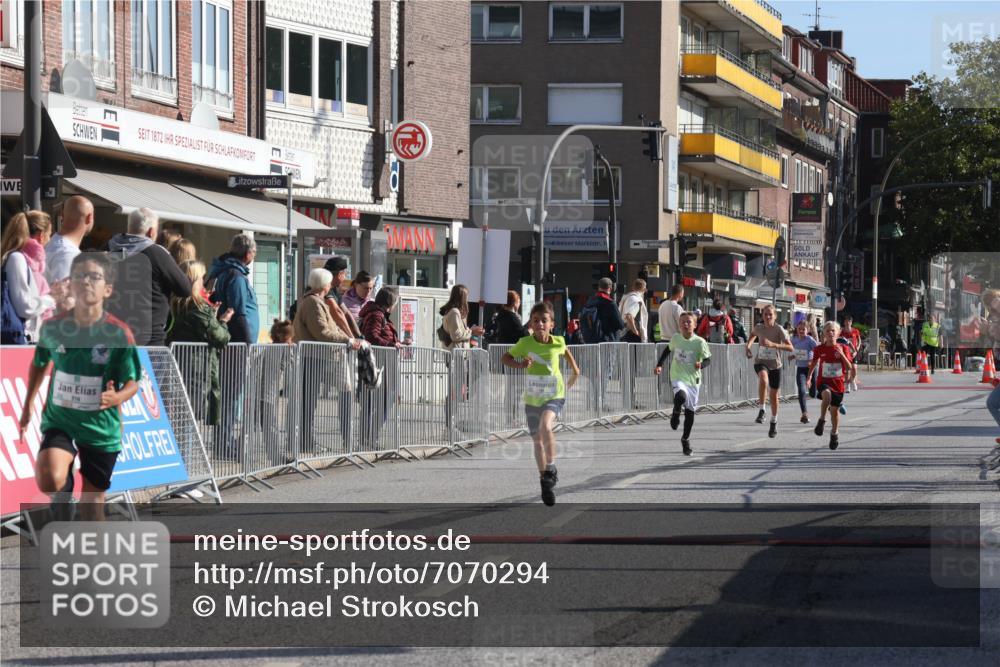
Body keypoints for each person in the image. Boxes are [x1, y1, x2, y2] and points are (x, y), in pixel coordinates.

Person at [17, 252, 141, 521]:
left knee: (92, 506)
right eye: (79, 276)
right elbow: (39, 364)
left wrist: (116, 397)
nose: (85, 281)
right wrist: (27, 406)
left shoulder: (118, 333)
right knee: (49, 478)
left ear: (107, 289)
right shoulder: (52, 328)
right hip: (61, 418)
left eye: (94, 276)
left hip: (100, 425)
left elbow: (133, 383)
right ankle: (63, 499)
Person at [502, 301, 580, 506]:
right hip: (533, 398)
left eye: (544, 321)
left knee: (546, 426)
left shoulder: (559, 342)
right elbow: (505, 357)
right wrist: (520, 364)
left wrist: (574, 375)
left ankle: (551, 466)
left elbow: (573, 364)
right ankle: (545, 481)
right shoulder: (525, 343)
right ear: (531, 323)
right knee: (537, 441)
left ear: (552, 324)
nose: (540, 324)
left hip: (554, 396)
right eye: (535, 321)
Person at [293, 268, 362, 453]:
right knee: (308, 403)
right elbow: (322, 332)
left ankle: (307, 442)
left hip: (317, 356)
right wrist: (347, 340)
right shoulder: (313, 303)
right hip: (313, 357)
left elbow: (330, 328)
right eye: (329, 282)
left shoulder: (315, 301)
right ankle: (306, 443)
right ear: (325, 284)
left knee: (310, 402)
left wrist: (349, 338)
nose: (330, 285)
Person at [107, 207, 192, 346]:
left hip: (114, 334)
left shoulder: (108, 248)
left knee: (120, 368)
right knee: (153, 369)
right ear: (151, 231)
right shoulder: (156, 254)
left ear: (129, 227)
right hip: (150, 338)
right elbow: (184, 289)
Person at [166, 261, 233, 429]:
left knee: (182, 420)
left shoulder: (174, 302)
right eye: (202, 278)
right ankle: (187, 456)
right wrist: (223, 322)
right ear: (194, 280)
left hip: (179, 367)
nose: (204, 282)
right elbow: (220, 337)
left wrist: (212, 315)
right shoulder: (196, 306)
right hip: (196, 371)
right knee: (190, 422)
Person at [654, 311, 711, 456]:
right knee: (680, 397)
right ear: (679, 325)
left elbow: (708, 359)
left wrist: (701, 364)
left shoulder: (700, 342)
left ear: (695, 325)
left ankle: (685, 439)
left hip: (693, 380)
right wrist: (659, 364)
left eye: (689, 322)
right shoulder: (676, 338)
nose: (685, 324)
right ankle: (676, 412)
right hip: (677, 376)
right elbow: (667, 350)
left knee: (690, 413)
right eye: (683, 322)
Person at [2, 211, 56, 342]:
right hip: (19, 338)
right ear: (41, 236)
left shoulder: (28, 262)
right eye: (50, 236)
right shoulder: (17, 259)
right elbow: (25, 307)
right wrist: (51, 298)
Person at [746, 304, 794, 437]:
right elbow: (752, 335)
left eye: (770, 315)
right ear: (762, 316)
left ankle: (774, 421)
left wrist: (774, 345)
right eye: (765, 314)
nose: (767, 317)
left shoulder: (779, 329)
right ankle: (762, 410)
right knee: (763, 378)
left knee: (774, 395)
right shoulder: (759, 327)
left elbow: (790, 348)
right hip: (761, 361)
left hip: (775, 365)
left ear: (775, 316)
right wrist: (748, 347)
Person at [807, 321, 855, 450]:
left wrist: (842, 355)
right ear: (824, 333)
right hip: (823, 381)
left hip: (838, 384)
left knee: (834, 412)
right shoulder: (820, 348)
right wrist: (809, 377)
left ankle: (834, 433)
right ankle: (822, 420)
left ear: (838, 333)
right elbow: (814, 362)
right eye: (828, 331)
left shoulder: (843, 348)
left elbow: (849, 367)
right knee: (826, 395)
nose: (830, 333)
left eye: (833, 330)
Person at [208, 233, 260, 344]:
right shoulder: (236, 276)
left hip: (232, 339)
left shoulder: (226, 271)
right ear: (248, 254)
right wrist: (247, 344)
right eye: (254, 252)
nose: (255, 255)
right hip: (238, 343)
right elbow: (237, 314)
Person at [45, 195, 95, 286]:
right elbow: (62, 295)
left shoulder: (52, 243)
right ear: (90, 218)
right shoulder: (67, 253)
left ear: (62, 215)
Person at [322, 256, 363, 339]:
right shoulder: (324, 289)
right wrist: (352, 339)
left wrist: (360, 336)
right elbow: (338, 313)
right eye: (345, 274)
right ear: (340, 274)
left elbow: (346, 313)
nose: (345, 278)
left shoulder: (334, 290)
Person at [579, 277, 626, 344]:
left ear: (599, 287)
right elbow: (620, 324)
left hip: (592, 342)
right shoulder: (610, 303)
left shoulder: (589, 302)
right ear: (610, 288)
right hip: (608, 342)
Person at [789, 319, 819, 424]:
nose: (801, 331)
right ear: (797, 329)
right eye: (800, 329)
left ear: (808, 330)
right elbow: (796, 351)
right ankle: (804, 413)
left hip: (811, 368)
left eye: (804, 329)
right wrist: (792, 356)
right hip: (801, 369)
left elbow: (818, 352)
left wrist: (811, 360)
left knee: (813, 393)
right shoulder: (794, 340)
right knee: (801, 390)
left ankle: (828, 401)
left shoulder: (810, 340)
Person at [439, 284, 484, 349]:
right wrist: (472, 331)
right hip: (456, 353)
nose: (467, 298)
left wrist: (471, 330)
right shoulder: (454, 312)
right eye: (467, 296)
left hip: (458, 352)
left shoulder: (455, 311)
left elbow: (459, 332)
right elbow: (456, 336)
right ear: (462, 297)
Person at [619, 278, 649, 343]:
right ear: (644, 289)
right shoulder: (635, 299)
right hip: (631, 335)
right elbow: (629, 316)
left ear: (633, 287)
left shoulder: (627, 297)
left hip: (625, 333)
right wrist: (636, 332)